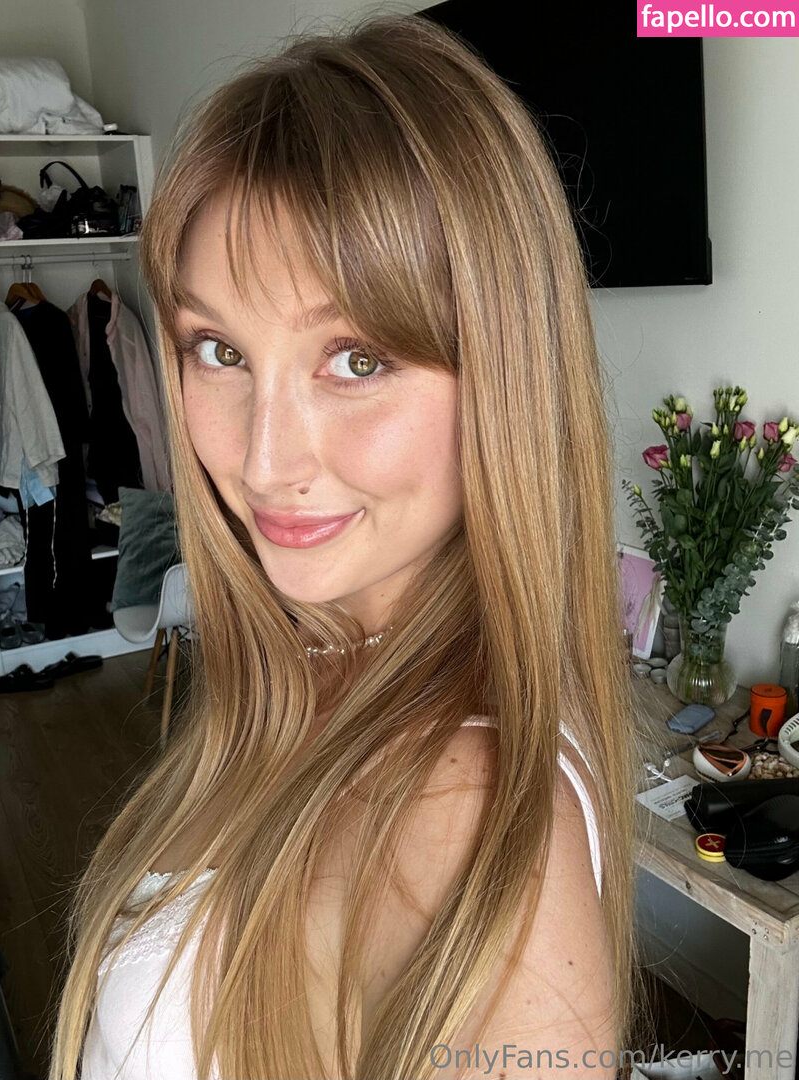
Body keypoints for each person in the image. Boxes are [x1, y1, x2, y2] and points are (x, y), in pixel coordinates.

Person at [51, 11, 645, 1079]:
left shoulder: (461, 813)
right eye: (219, 349)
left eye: (357, 359)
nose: (264, 460)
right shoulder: (308, 657)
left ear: (504, 378)